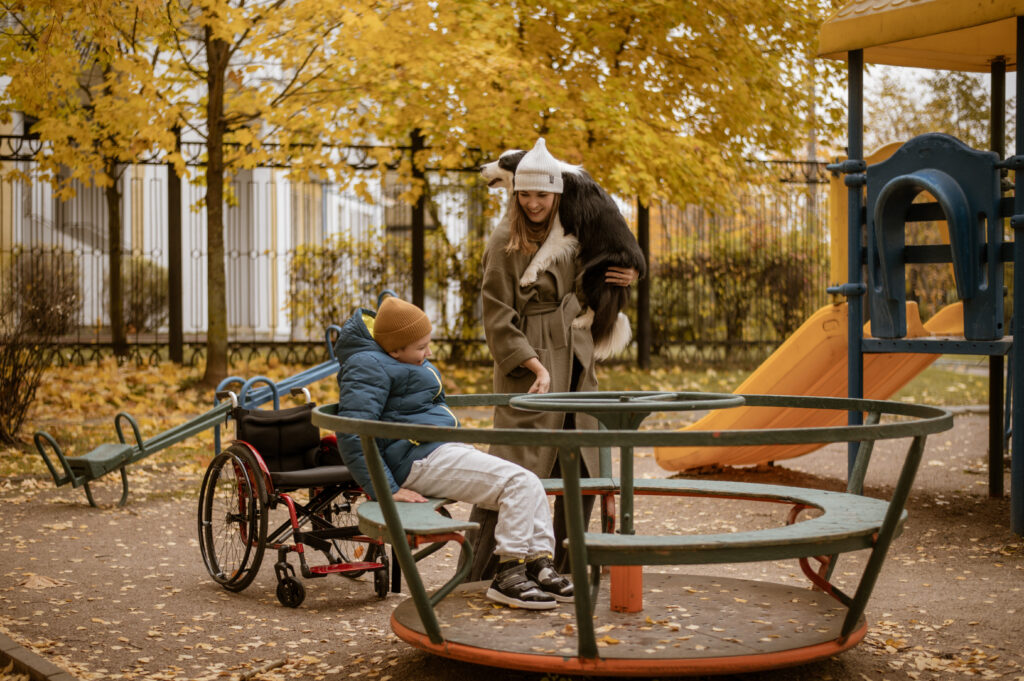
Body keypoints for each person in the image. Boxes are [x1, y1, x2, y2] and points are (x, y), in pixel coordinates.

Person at [468, 138, 639, 580]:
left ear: (557, 194)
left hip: (577, 360)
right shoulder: (506, 239)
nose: (533, 203)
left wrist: (628, 274)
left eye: (541, 194)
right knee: (512, 470)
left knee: (582, 466)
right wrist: (532, 363)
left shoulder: (574, 229)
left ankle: (574, 571)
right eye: (524, 194)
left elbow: (606, 261)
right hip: (533, 367)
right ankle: (482, 575)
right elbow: (496, 314)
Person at [334, 295, 573, 610]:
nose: (429, 352)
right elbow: (353, 432)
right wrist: (386, 489)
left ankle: (538, 562)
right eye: (421, 348)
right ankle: (509, 574)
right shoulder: (368, 366)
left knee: (528, 481)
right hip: (418, 459)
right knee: (518, 482)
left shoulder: (396, 359)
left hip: (437, 450)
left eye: (428, 344)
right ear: (394, 349)